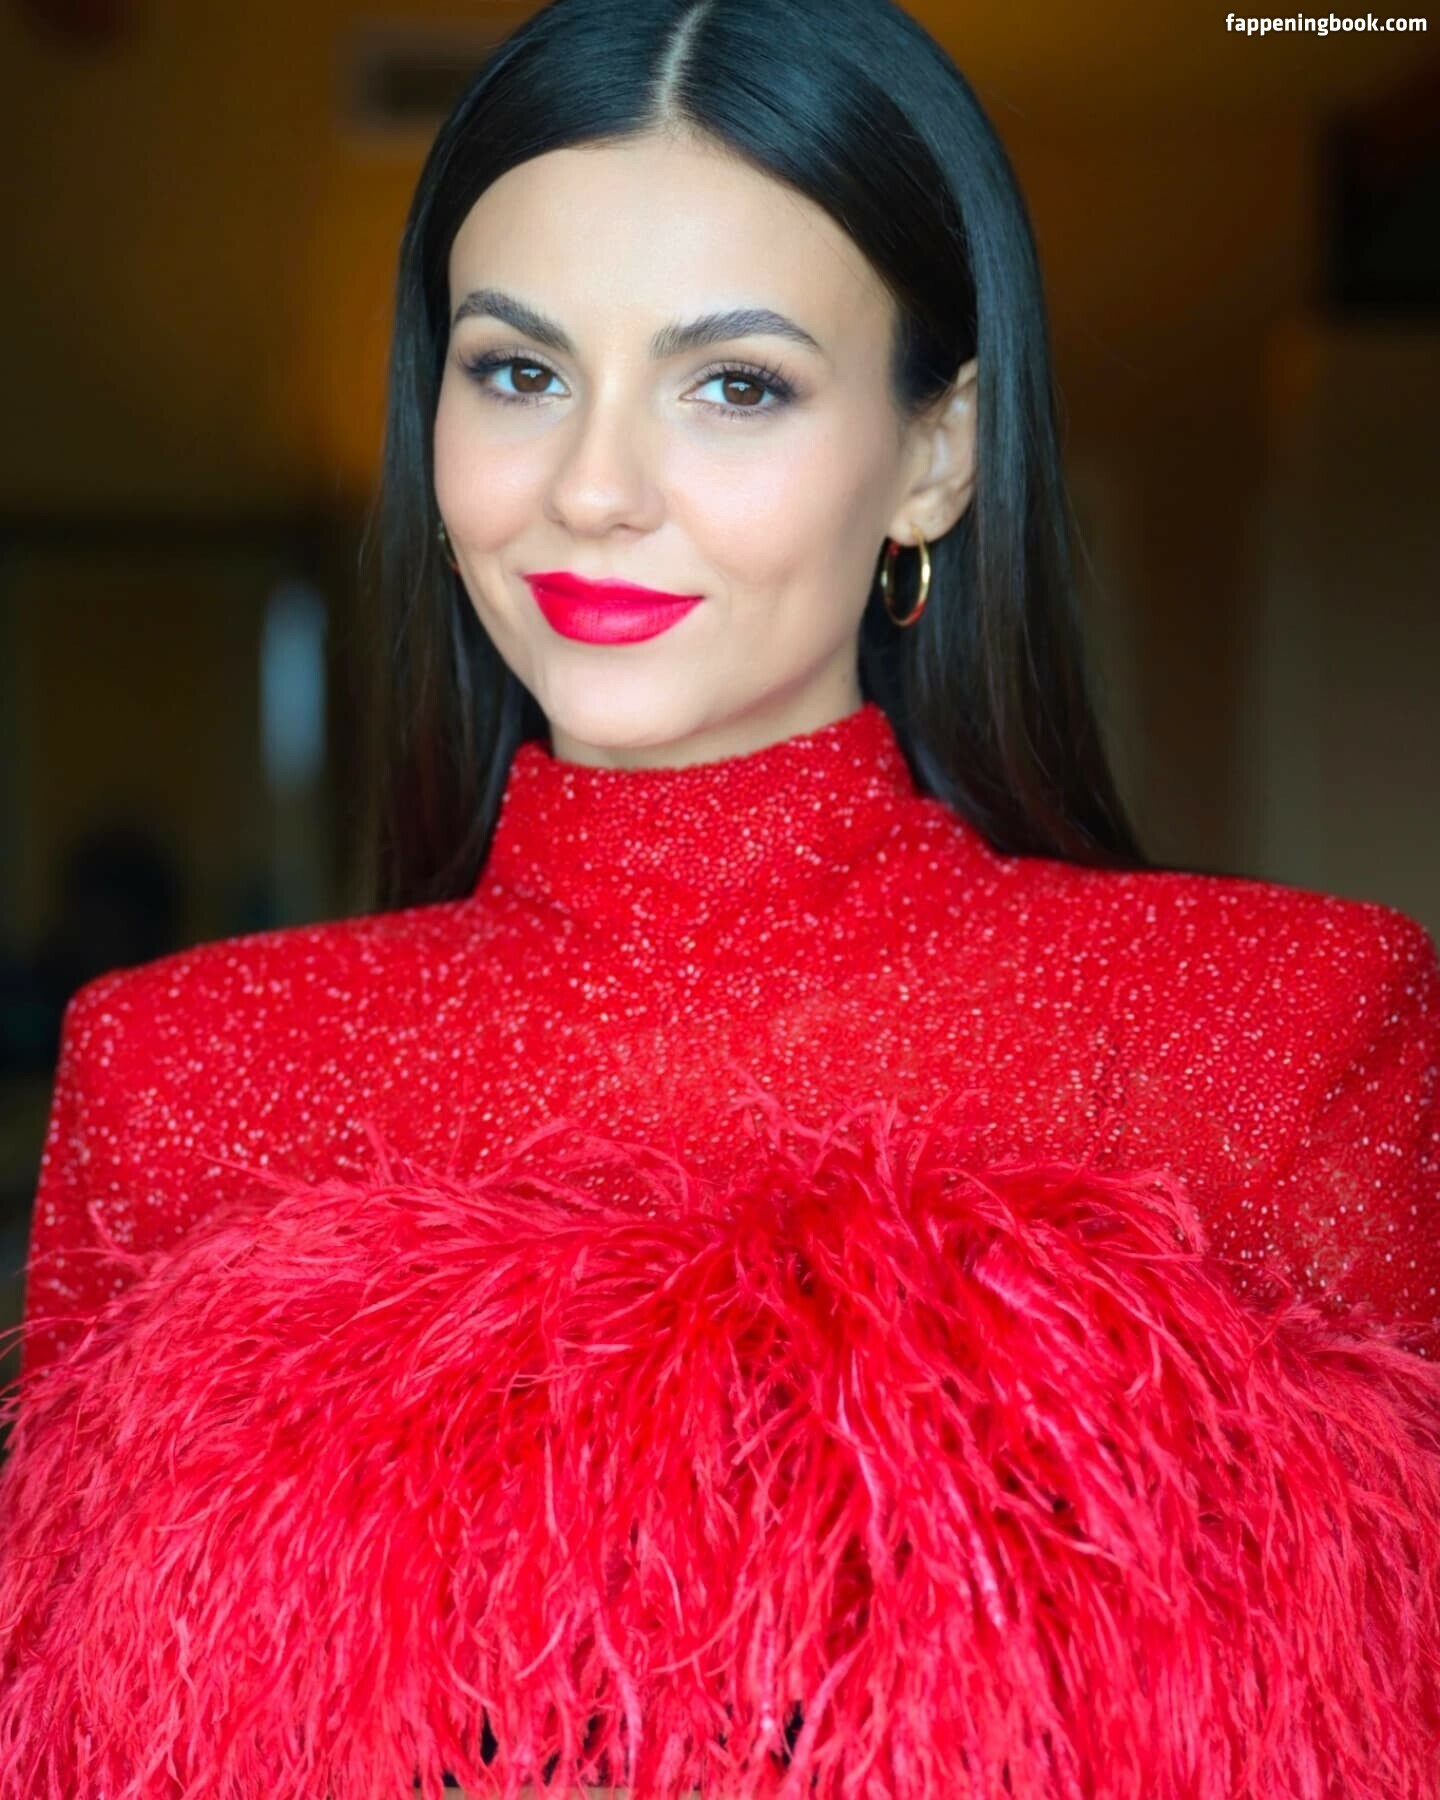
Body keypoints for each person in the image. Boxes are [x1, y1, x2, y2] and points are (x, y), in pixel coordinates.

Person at [3, 0, 1439, 1794]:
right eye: (518, 373)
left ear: (936, 453)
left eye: (736, 384)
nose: (593, 490)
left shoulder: (1277, 1036)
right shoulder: (179, 1074)